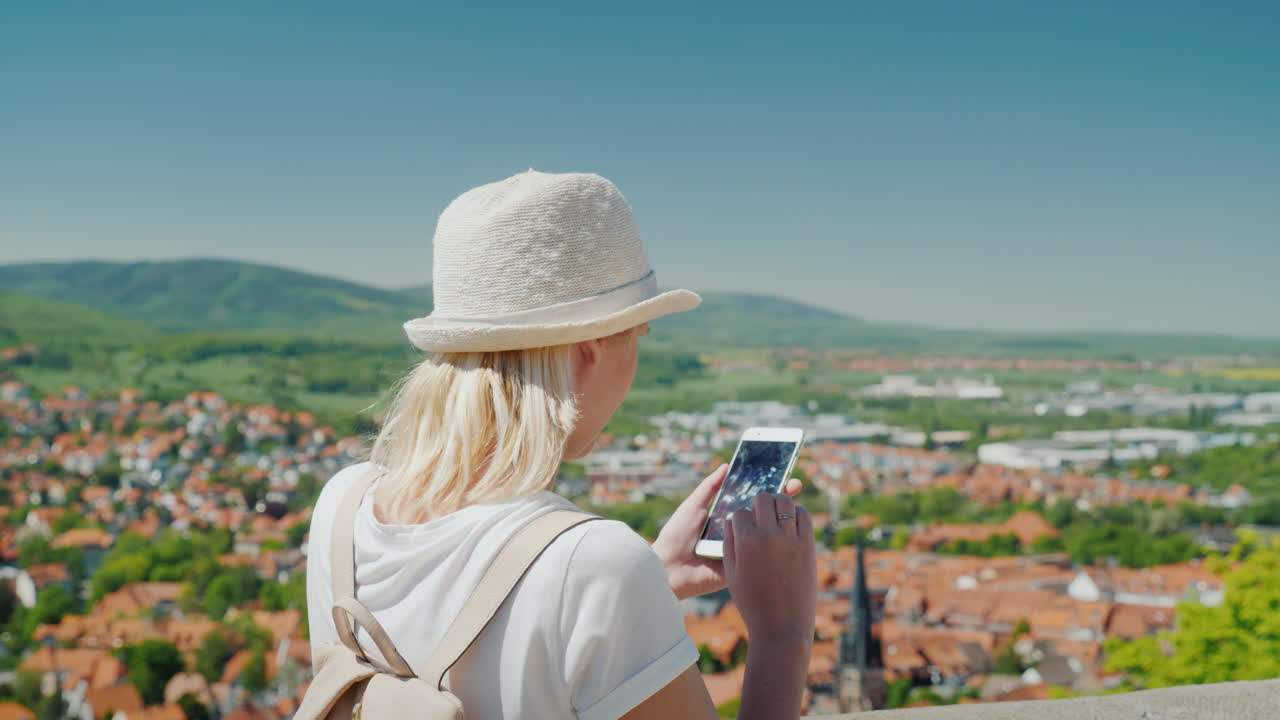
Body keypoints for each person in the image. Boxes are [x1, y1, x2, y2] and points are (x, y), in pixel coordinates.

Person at [306, 170, 817, 719]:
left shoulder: (341, 503)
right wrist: (783, 632)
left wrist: (653, 578)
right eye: (637, 336)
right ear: (591, 350)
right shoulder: (595, 565)